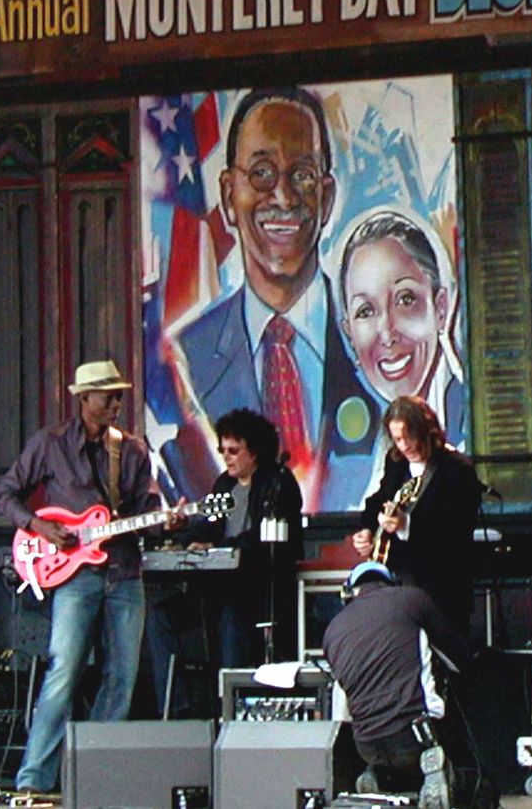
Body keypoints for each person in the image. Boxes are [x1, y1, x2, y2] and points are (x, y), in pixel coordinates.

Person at [175, 86, 378, 511]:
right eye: (262, 173)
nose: (283, 198)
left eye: (302, 175)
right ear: (229, 195)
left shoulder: (377, 341)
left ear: (327, 197)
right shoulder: (188, 356)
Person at [0, 359, 163, 795]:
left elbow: (144, 513)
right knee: (63, 669)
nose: (117, 404)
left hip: (124, 572)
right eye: (109, 396)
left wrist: (166, 521)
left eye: (119, 396)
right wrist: (37, 525)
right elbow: (4, 495)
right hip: (73, 577)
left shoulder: (133, 450)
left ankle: (94, 775)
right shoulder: (49, 444)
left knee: (122, 676)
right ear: (85, 399)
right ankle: (34, 778)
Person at [323, 561, 470, 808]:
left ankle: (375, 773)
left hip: (365, 743)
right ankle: (436, 769)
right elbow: (459, 657)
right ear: (391, 583)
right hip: (416, 737)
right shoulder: (412, 600)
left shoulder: (332, 631)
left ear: (348, 593)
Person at [351, 395, 481, 635]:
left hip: (442, 588)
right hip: (399, 581)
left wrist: (407, 524)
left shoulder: (457, 469)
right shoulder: (396, 463)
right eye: (398, 439)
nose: (404, 445)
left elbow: (457, 530)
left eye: (410, 437)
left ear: (426, 431)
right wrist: (367, 530)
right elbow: (379, 499)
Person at [338, 207, 465, 453]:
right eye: (365, 311)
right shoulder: (380, 449)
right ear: (349, 334)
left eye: (405, 300)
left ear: (440, 308)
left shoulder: (467, 422)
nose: (387, 333)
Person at [184, 408, 304, 667]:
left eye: (233, 451)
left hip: (259, 585)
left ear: (255, 451)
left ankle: (229, 694)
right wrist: (185, 529)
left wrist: (218, 547)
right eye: (223, 451)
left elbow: (263, 538)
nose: (226, 457)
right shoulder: (223, 485)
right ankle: (180, 704)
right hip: (216, 584)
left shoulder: (278, 482)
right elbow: (207, 524)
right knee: (161, 615)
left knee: (230, 611)